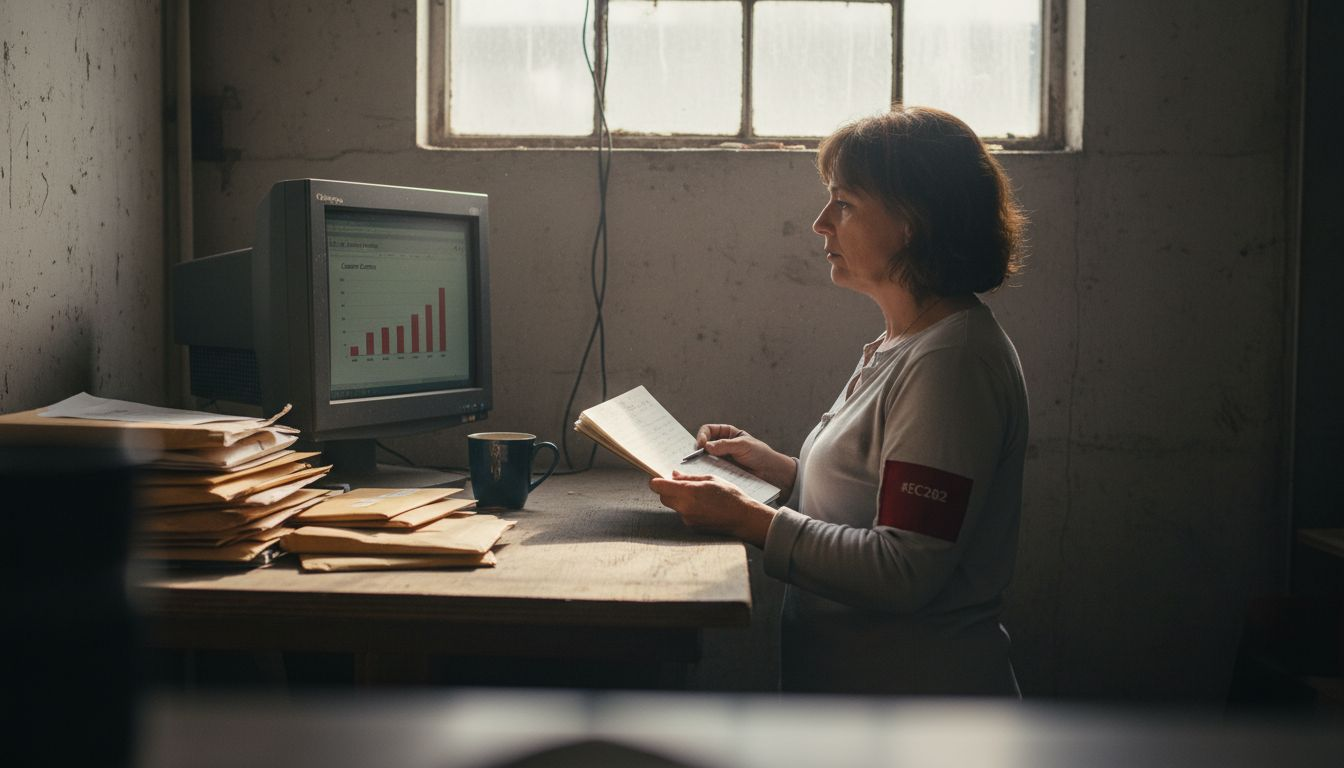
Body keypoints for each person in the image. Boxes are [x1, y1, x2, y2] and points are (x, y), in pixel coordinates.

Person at [650, 105, 1029, 696]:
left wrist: (750, 520)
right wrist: (781, 471)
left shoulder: (951, 364)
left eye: (845, 203)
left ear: (915, 221)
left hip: (916, 711)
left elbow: (903, 569)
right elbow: (880, 502)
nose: (821, 223)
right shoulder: (907, 340)